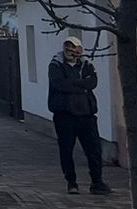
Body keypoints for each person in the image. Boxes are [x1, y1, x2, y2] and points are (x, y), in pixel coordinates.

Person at [47, 37, 110, 195]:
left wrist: (74, 83)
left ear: (80, 50)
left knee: (94, 150)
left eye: (73, 48)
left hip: (87, 114)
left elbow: (92, 83)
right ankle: (71, 182)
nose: (70, 51)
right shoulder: (55, 65)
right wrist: (81, 86)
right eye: (67, 47)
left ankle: (97, 182)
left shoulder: (87, 64)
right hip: (65, 115)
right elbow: (60, 84)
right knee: (66, 149)